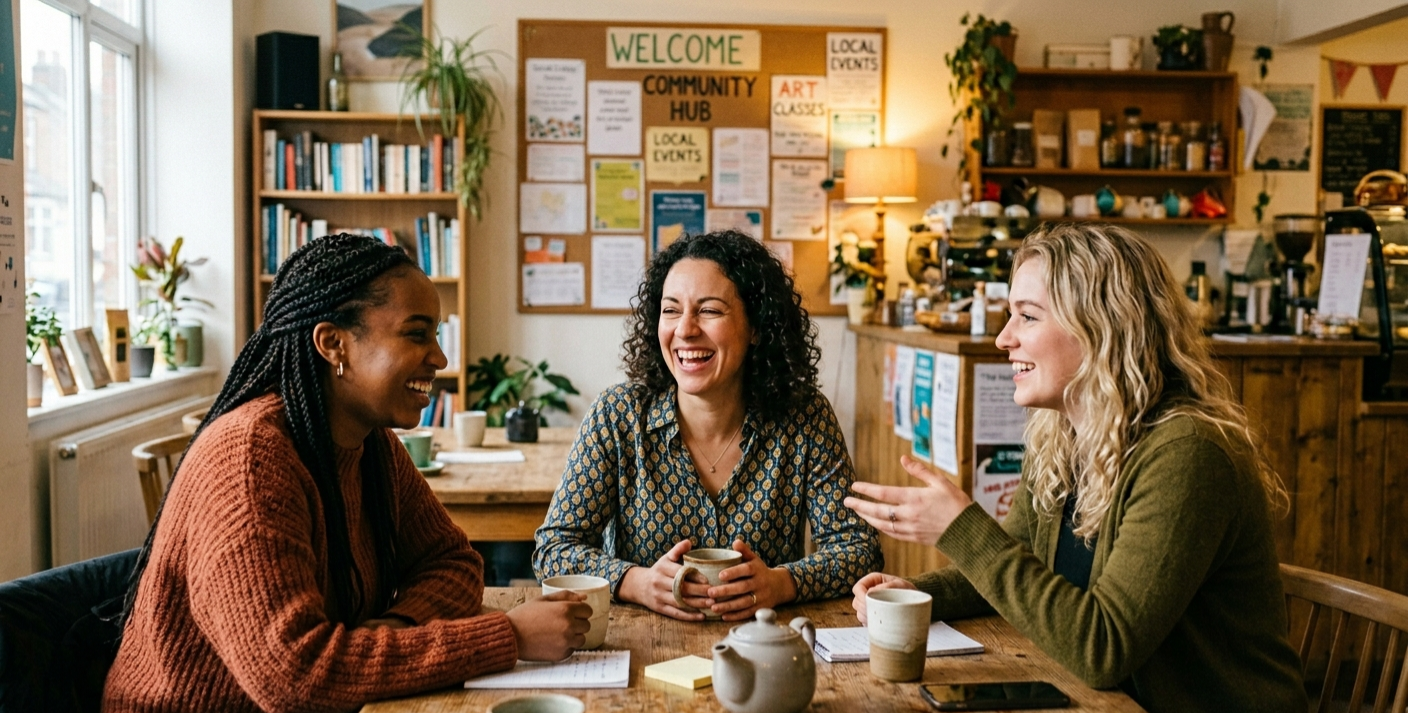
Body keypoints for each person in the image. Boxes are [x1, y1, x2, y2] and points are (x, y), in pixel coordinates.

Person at [104, 234, 592, 712]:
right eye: (416, 334)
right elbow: (295, 678)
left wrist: (392, 629)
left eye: (436, 335)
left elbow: (454, 563)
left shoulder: (369, 444)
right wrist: (507, 635)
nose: (440, 359)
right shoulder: (250, 460)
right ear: (334, 344)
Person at [845, 224, 1307, 713]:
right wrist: (917, 592)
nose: (1004, 339)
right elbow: (1021, 563)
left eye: (1027, 317)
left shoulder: (1189, 453)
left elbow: (1103, 647)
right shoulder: (1061, 436)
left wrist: (960, 529)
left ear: (1102, 327)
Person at [534, 230, 882, 621]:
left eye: (710, 310)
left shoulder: (803, 418)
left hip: (766, 651)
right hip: (643, 650)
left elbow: (858, 548)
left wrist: (782, 583)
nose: (685, 329)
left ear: (756, 328)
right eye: (671, 310)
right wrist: (635, 581)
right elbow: (555, 549)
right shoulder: (618, 416)